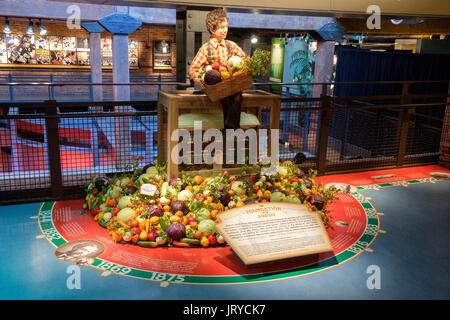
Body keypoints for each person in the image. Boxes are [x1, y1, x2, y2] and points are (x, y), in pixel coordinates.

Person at [188, 7, 248, 131]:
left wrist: (242, 66)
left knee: (237, 94)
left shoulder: (231, 45)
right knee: (214, 77)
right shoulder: (205, 49)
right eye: (221, 27)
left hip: (232, 84)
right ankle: (231, 128)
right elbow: (193, 68)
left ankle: (230, 128)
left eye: (226, 26)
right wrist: (196, 79)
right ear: (212, 29)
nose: (225, 30)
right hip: (216, 87)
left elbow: (246, 59)